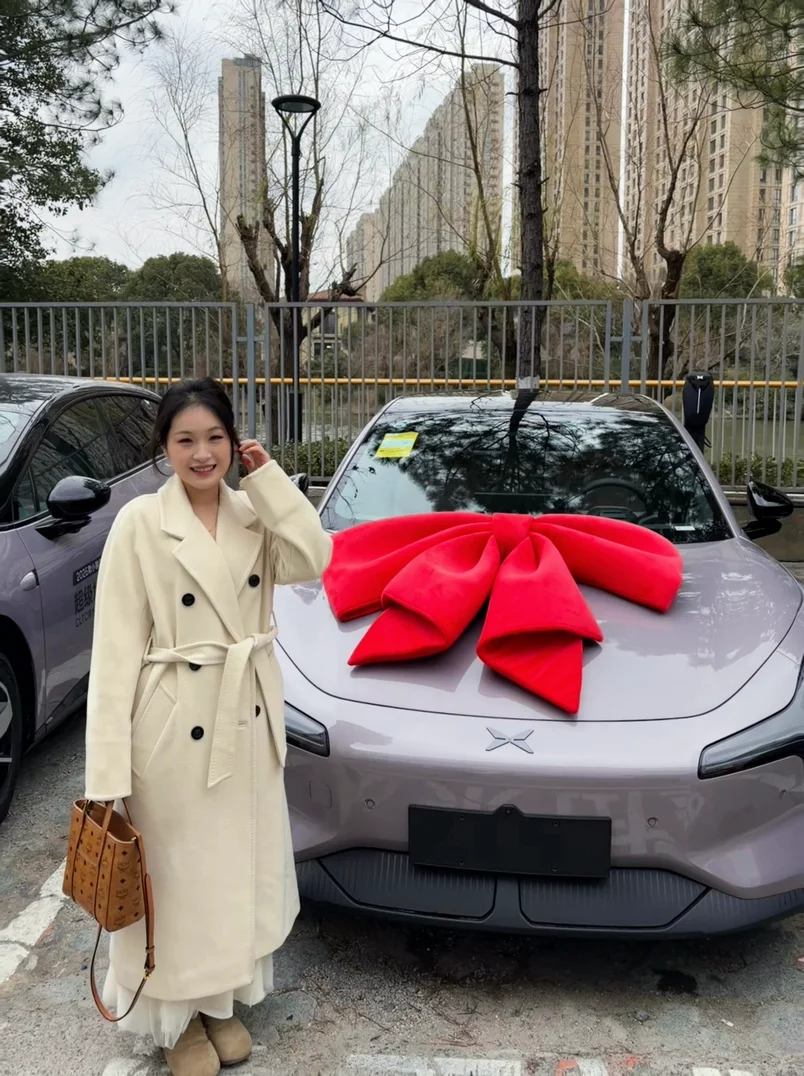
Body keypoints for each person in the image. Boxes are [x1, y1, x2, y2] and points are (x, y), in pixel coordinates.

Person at [84, 378, 332, 1076]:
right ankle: (174, 1019)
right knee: (175, 879)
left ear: (234, 442)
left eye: (215, 438)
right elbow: (114, 651)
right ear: (163, 448)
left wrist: (270, 481)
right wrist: (107, 775)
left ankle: (219, 1001)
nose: (202, 454)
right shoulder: (140, 523)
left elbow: (314, 558)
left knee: (233, 875)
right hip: (171, 731)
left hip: (244, 722)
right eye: (185, 440)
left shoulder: (255, 513)